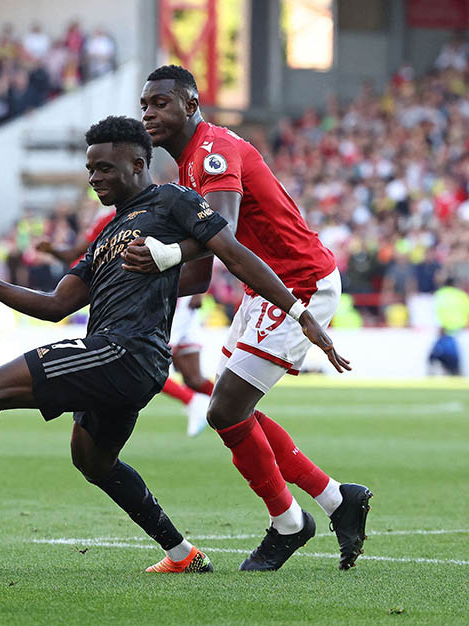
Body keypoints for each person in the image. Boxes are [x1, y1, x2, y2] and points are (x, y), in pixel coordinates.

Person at [0, 116, 349, 575]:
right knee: (92, 461)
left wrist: (301, 313)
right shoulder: (105, 235)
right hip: (120, 359)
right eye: (90, 169)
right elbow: (54, 305)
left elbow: (232, 253)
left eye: (105, 168)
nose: (94, 178)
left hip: (128, 351)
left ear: (138, 164)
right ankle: (183, 552)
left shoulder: (173, 201)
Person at [127, 64, 372, 570]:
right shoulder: (189, 165)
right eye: (145, 105)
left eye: (161, 103)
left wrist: (163, 256)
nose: (149, 113)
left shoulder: (213, 154)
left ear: (191, 105)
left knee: (224, 411)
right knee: (233, 410)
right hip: (265, 288)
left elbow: (226, 234)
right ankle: (334, 501)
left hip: (298, 283)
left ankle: (290, 523)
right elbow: (198, 272)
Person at [39, 209, 216, 437]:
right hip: (145, 298)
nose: (97, 181)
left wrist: (200, 285)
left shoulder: (163, 203)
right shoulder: (107, 218)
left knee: (141, 358)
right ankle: (222, 407)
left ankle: (202, 403)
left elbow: (201, 234)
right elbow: (76, 253)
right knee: (189, 375)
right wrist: (52, 249)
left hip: (167, 294)